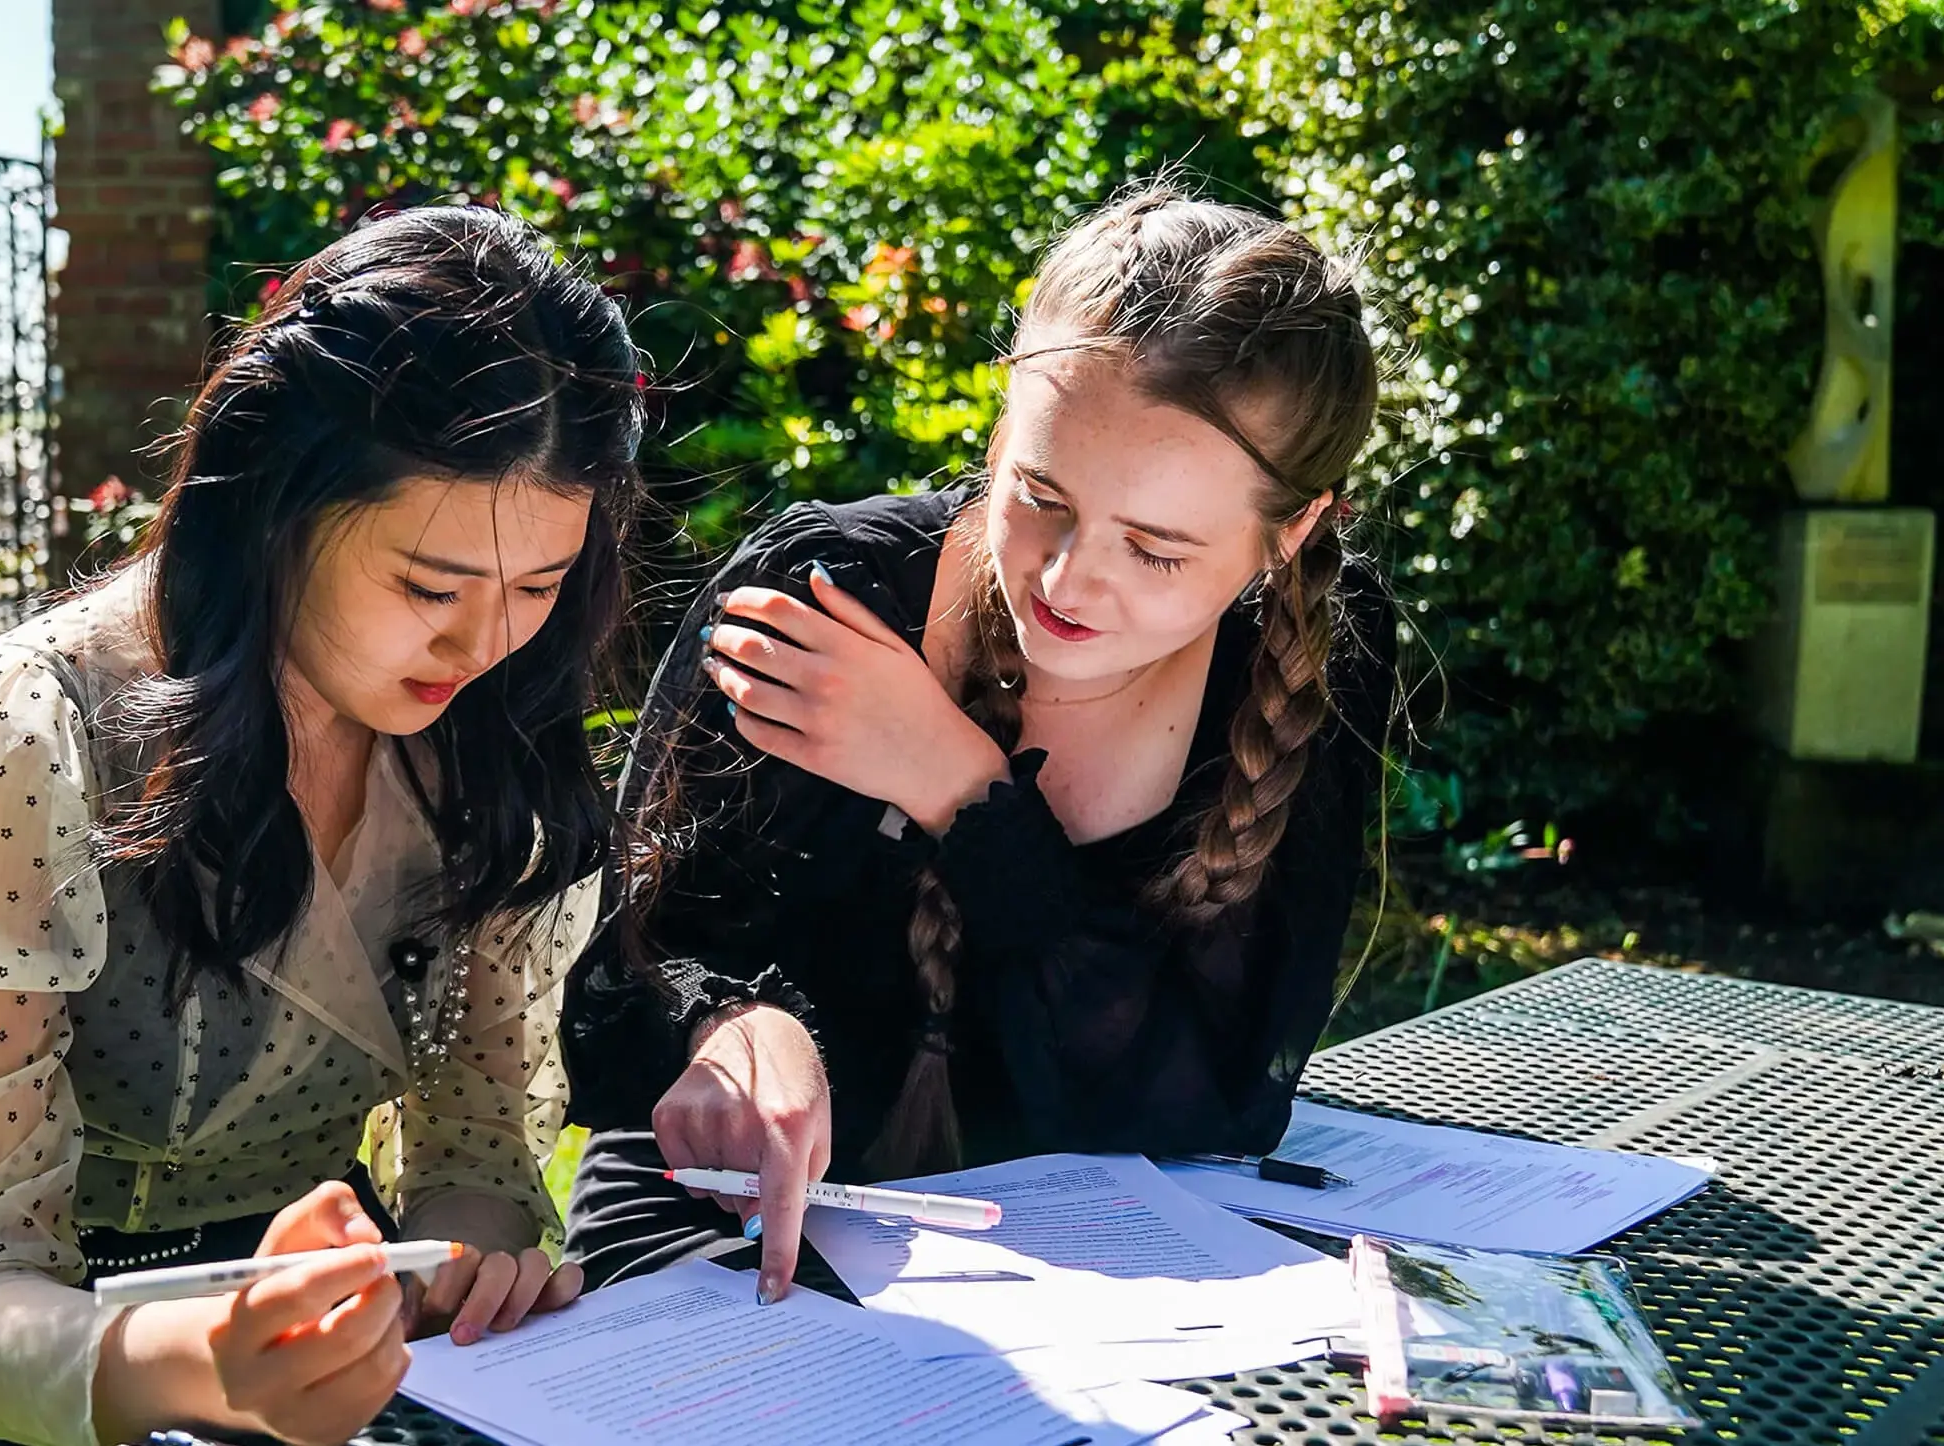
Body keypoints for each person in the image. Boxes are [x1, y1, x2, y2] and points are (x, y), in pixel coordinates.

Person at [0, 206, 645, 1446]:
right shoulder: (26, 736)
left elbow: (476, 1138)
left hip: (369, 1358)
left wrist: (470, 1257)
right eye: (430, 587)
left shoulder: (490, 736)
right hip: (71, 1383)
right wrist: (202, 1361)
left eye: (538, 586)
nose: (483, 643)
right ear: (272, 506)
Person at [559, 182, 1397, 1305]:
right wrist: (732, 1019)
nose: (1065, 580)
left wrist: (962, 790)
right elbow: (611, 980)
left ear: (1288, 535)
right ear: (1002, 426)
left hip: (1092, 1286)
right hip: (730, 1237)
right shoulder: (824, 598)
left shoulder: (1305, 667)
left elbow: (1209, 1099)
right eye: (1037, 495)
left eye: (1154, 551)